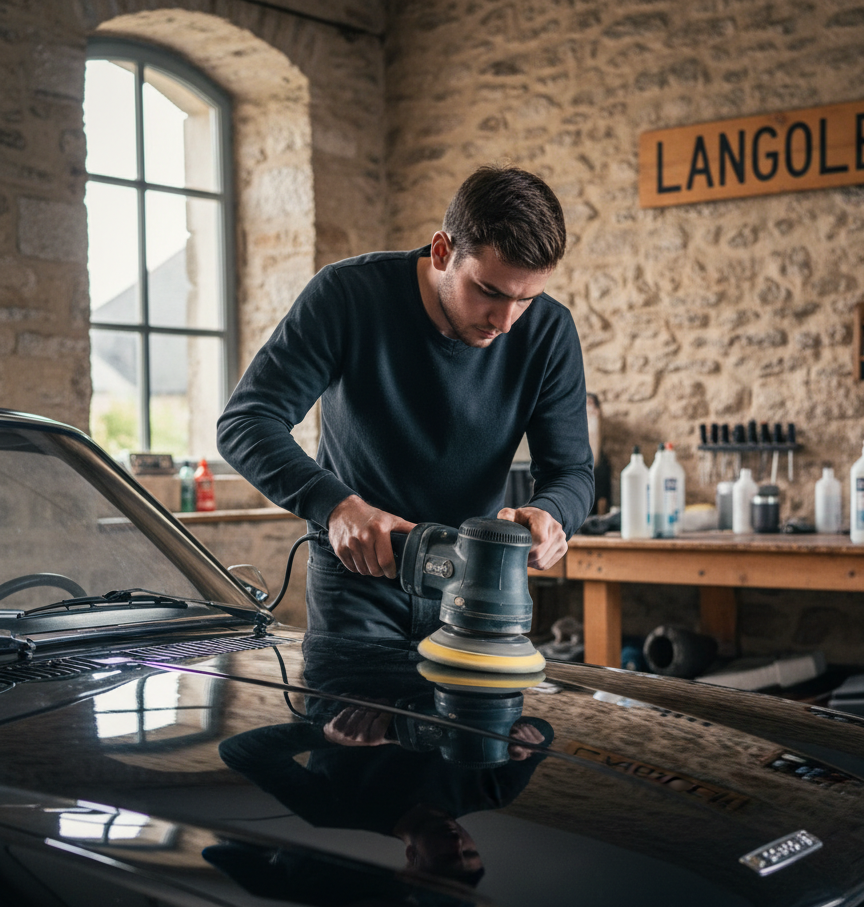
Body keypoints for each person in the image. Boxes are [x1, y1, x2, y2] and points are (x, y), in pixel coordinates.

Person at [217, 166, 593, 638]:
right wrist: (336, 506)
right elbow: (246, 422)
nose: (505, 321)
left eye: (526, 300)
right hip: (357, 578)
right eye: (489, 292)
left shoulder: (550, 331)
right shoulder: (347, 294)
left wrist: (552, 514)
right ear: (442, 252)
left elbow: (571, 471)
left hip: (479, 585)